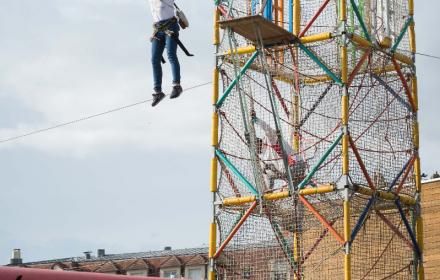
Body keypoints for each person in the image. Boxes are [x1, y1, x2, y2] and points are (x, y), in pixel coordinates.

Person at [252, 111, 306, 190]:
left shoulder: (270, 140)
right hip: (289, 173)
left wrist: (256, 120)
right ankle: (270, 193)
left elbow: (267, 129)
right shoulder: (262, 156)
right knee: (266, 171)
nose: (255, 150)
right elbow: (266, 172)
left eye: (255, 147)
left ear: (258, 142)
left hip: (295, 166)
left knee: (269, 169)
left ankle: (269, 192)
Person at [147, 0, 183, 107]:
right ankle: (158, 92)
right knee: (154, 59)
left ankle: (177, 85)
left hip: (170, 26)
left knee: (171, 54)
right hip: (158, 29)